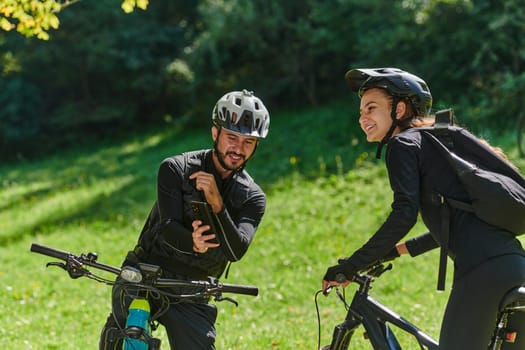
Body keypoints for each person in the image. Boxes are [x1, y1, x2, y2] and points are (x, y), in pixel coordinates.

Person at [322, 68, 525, 349]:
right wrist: (396, 251)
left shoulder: (403, 144)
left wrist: (350, 266)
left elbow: (404, 214)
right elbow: (453, 221)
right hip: (514, 264)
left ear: (400, 108)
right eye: (360, 112)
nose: (362, 118)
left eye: (371, 108)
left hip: (482, 273)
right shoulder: (436, 140)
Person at [99, 89, 270, 349]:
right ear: (216, 134)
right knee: (130, 342)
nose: (238, 148)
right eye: (232, 137)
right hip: (146, 273)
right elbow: (167, 227)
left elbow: (235, 250)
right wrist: (193, 242)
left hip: (194, 288)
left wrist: (217, 203)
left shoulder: (252, 197)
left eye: (248, 142)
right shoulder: (175, 169)